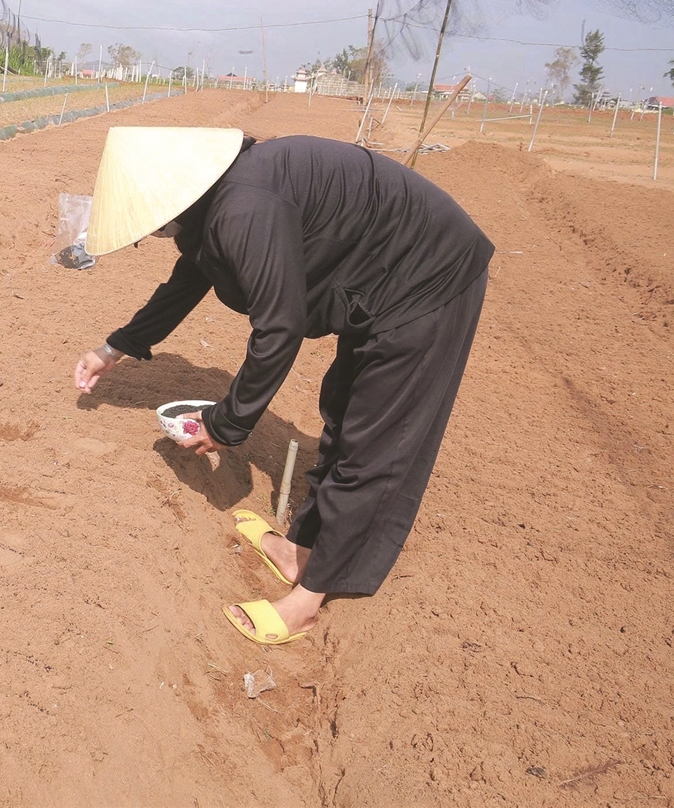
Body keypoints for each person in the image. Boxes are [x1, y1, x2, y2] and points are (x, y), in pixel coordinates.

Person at [73, 127, 491, 645]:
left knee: (378, 442)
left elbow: (279, 328)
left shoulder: (246, 206)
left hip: (429, 276)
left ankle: (307, 602)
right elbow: (188, 281)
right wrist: (114, 347)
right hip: (383, 277)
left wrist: (225, 425)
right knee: (344, 410)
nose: (155, 235)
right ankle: (302, 553)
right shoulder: (223, 199)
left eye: (152, 226)